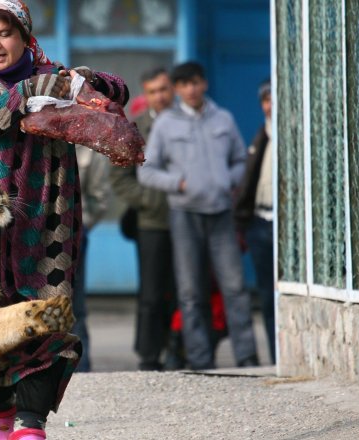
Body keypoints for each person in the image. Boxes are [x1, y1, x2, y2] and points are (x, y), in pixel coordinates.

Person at [0, 1, 129, 438]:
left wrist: (84, 81)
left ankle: (30, 423)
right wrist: (28, 91)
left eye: (4, 34)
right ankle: (2, 410)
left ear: (24, 37)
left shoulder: (52, 77)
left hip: (48, 224)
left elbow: (117, 92)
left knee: (48, 319)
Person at [137, 61, 259, 370]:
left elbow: (240, 161)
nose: (191, 89)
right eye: (184, 84)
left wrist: (224, 181)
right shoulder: (166, 124)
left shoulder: (224, 119)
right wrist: (177, 183)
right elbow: (147, 171)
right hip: (184, 215)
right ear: (177, 90)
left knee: (235, 287)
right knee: (190, 291)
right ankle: (200, 358)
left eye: (195, 82)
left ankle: (247, 356)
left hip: (220, 215)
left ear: (204, 84)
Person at [110, 67, 181, 371]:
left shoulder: (187, 123)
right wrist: (150, 200)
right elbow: (120, 179)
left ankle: (181, 350)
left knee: (185, 291)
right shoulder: (135, 130)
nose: (160, 97)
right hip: (152, 224)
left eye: (164, 89)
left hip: (190, 219)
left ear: (173, 90)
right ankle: (149, 354)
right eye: (153, 91)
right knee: (152, 293)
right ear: (146, 94)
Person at [234, 79, 275, 364]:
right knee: (267, 296)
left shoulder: (299, 134)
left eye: (275, 98)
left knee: (285, 292)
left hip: (285, 224)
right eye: (265, 100)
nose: (270, 105)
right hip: (260, 222)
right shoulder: (261, 135)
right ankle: (276, 357)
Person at [72, 145, 111, 373]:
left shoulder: (88, 148)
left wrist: (83, 224)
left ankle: (81, 369)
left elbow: (99, 198)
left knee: (75, 306)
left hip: (75, 231)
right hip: (35, 233)